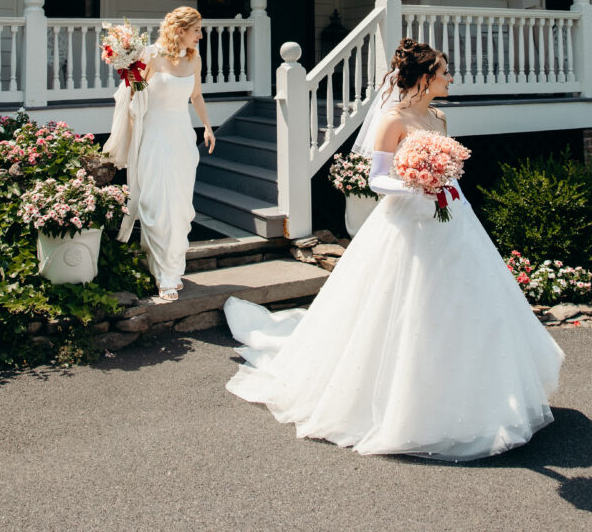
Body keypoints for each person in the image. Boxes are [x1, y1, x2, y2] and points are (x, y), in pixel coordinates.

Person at [223, 39, 564, 461]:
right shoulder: (392, 119)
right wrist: (416, 183)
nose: (450, 78)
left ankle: (480, 395)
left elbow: (452, 169)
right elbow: (377, 179)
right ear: (424, 78)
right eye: (443, 72)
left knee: (470, 304)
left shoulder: (438, 118)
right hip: (407, 221)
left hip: (452, 217)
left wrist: (442, 183)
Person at [106, 6, 215, 302]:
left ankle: (173, 269)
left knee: (179, 207)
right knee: (157, 205)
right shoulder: (151, 55)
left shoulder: (194, 59)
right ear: (179, 31)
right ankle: (163, 276)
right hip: (154, 137)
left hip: (181, 138)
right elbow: (133, 92)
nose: (200, 36)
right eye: (196, 31)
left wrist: (207, 126)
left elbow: (196, 95)